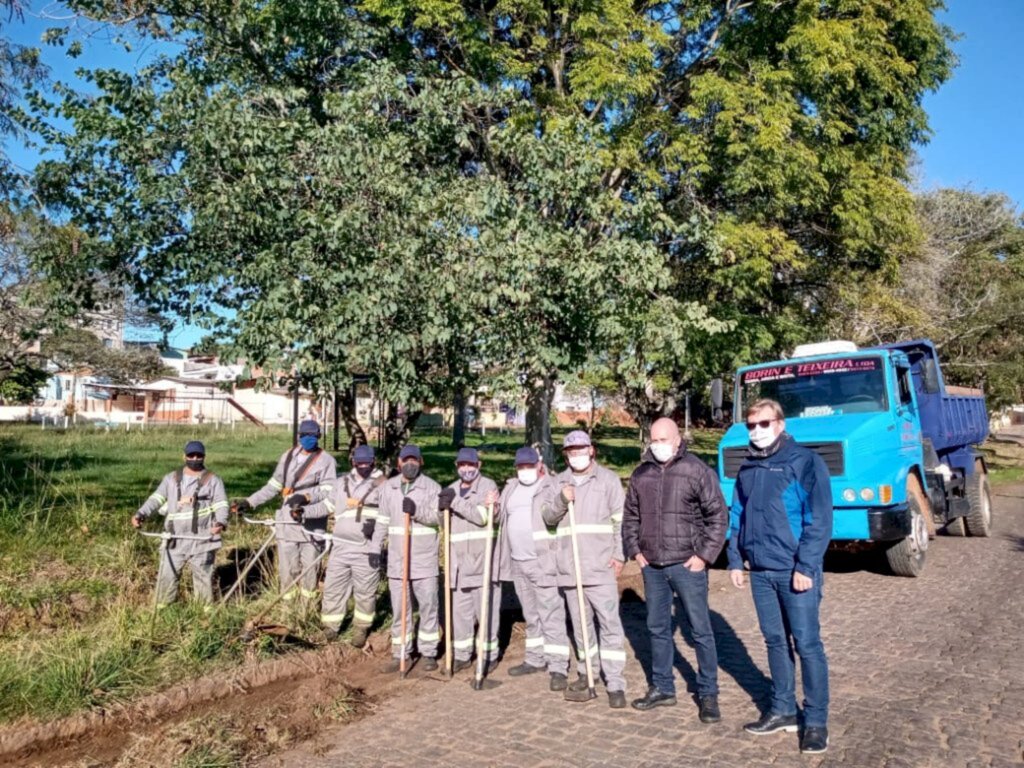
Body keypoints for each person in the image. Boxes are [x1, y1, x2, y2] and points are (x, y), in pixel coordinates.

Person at [727, 398, 833, 755]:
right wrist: (734, 558)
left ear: (780, 424)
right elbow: (737, 515)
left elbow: (818, 519)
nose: (757, 431)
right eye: (751, 426)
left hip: (794, 571)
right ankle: (783, 709)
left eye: (764, 423)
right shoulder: (748, 468)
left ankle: (816, 721)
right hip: (760, 571)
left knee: (807, 644)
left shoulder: (804, 462)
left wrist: (806, 566)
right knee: (774, 641)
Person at [622, 417, 728, 721]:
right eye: (654, 440)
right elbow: (630, 517)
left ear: (677, 440)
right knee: (657, 628)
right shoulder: (641, 474)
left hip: (687, 564)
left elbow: (718, 517)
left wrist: (705, 556)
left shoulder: (696, 471)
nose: (658, 445)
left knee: (700, 630)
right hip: (652, 566)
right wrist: (635, 551)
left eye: (664, 439)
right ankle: (663, 687)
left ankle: (708, 693)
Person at [542, 430, 628, 709]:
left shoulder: (608, 481)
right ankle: (587, 672)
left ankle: (615, 682)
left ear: (592, 450)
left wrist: (619, 555)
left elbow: (620, 522)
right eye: (571, 450)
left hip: (600, 567)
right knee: (581, 629)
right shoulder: (558, 482)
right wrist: (560, 500)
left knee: (610, 625)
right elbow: (547, 518)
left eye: (581, 449)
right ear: (565, 454)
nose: (577, 454)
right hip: (570, 569)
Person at [234, 420, 337, 603]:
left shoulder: (326, 460)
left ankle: (307, 609)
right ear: (299, 436)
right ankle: (288, 608)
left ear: (319, 437)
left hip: (311, 523)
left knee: (309, 569)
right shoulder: (288, 456)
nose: (309, 439)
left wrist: (306, 497)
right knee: (287, 569)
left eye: (313, 436)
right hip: (287, 522)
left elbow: (329, 490)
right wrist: (249, 502)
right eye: (306, 436)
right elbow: (273, 486)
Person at [497, 446, 571, 690]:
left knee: (551, 611)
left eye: (529, 466)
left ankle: (558, 666)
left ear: (539, 465)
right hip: (518, 561)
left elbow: (556, 514)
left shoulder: (550, 486)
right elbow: (500, 516)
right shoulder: (511, 488)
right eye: (521, 466)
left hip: (543, 561)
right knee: (531, 613)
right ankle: (535, 658)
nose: (525, 470)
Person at [302, 443, 386, 646]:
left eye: (367, 462)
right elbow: (327, 506)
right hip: (340, 548)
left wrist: (376, 542)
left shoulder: (384, 485)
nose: (363, 466)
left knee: (365, 592)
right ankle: (330, 628)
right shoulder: (341, 483)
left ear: (373, 462)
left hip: (366, 550)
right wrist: (303, 512)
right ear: (353, 462)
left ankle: (360, 629)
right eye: (359, 462)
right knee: (333, 589)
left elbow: (388, 515)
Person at [132, 440, 229, 606]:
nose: (195, 458)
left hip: (203, 539)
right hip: (174, 539)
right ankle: (162, 611)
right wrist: (141, 513)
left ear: (204, 457)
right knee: (167, 576)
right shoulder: (171, 479)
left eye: (199, 455)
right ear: (184, 456)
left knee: (203, 578)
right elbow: (156, 498)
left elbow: (221, 504)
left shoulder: (213, 480)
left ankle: (204, 614)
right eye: (191, 455)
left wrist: (220, 522)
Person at [378, 444, 442, 673]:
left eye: (414, 460)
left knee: (428, 607)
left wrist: (417, 512)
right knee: (400, 610)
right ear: (399, 463)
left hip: (424, 561)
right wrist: (376, 548)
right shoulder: (389, 488)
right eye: (406, 460)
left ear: (421, 462)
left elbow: (440, 519)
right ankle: (400, 653)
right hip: (397, 560)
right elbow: (382, 521)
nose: (410, 464)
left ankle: (429, 653)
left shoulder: (432, 488)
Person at [439, 447, 502, 674]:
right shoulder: (452, 489)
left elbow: (484, 517)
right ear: (457, 466)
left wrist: (454, 503)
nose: (466, 469)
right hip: (457, 566)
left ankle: (488, 655)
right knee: (461, 615)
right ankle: (463, 655)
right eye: (462, 465)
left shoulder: (488, 487)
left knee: (486, 613)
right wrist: (441, 509)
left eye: (471, 465)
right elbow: (444, 524)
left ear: (478, 466)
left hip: (481, 564)